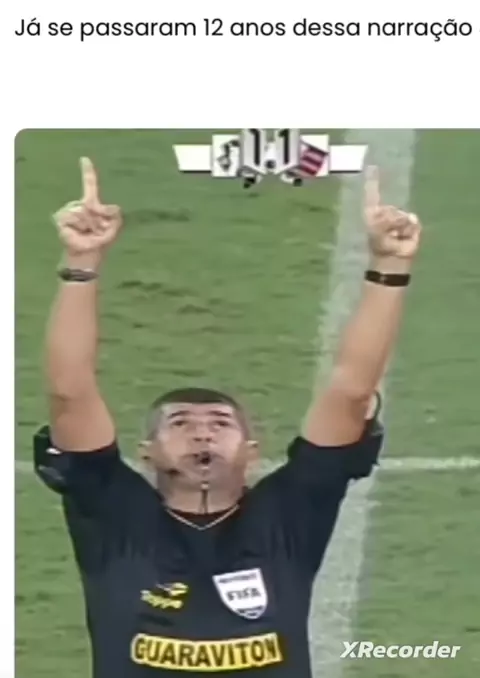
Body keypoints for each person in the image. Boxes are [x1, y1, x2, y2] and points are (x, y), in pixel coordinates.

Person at [33, 157, 422, 677]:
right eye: (179, 423)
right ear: (146, 451)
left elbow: (351, 392)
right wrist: (81, 262)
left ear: (251, 451)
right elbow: (69, 392)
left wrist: (389, 267)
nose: (202, 432)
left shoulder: (289, 513)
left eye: (220, 423)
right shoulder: (112, 512)